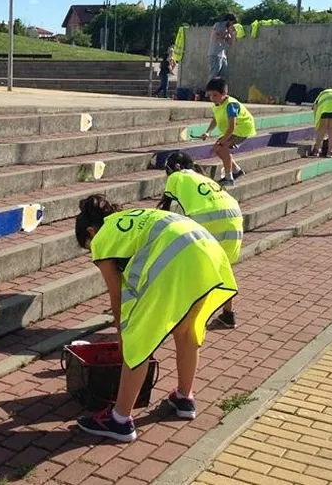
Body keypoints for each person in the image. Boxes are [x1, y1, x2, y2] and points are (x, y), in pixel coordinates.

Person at [74, 195, 238, 442]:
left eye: (88, 245)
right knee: (186, 331)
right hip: (208, 251)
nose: (93, 253)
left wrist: (124, 337)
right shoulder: (129, 218)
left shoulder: (103, 238)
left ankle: (119, 420)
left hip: (177, 258)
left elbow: (117, 299)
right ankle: (184, 398)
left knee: (138, 337)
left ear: (90, 231)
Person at [158, 151, 243, 329]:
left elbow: (166, 208)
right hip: (233, 217)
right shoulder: (202, 178)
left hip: (208, 220)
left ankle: (183, 314)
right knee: (224, 266)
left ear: (176, 167)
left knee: (186, 265)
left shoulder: (178, 177)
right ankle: (228, 315)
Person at [200, 77, 256, 188]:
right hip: (234, 130)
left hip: (241, 129)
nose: (212, 98)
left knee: (221, 148)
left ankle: (229, 178)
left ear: (224, 93)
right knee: (219, 150)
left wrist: (222, 142)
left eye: (215, 95)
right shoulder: (217, 105)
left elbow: (232, 126)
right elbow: (215, 119)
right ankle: (236, 170)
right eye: (210, 95)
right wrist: (208, 132)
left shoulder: (231, 105)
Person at [208, 13, 237, 79]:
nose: (233, 24)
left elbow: (231, 44)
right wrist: (226, 33)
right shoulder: (218, 25)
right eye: (232, 22)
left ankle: (219, 89)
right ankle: (210, 89)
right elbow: (216, 36)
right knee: (214, 75)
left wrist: (232, 34)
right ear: (228, 20)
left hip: (223, 56)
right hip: (215, 54)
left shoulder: (227, 29)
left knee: (223, 77)